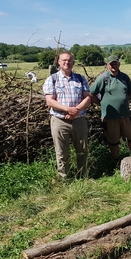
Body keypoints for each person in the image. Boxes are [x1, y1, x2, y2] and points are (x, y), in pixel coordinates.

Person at [43, 51, 91, 179]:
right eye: (64, 60)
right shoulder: (52, 79)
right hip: (60, 120)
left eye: (69, 60)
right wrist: (68, 110)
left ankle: (83, 176)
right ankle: (65, 178)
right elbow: (50, 101)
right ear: (59, 62)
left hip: (79, 120)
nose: (67, 63)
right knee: (61, 152)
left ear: (73, 62)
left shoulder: (80, 79)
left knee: (82, 150)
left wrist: (76, 111)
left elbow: (87, 98)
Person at [89, 55, 131, 159]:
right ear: (107, 65)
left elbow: (129, 93)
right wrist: (100, 103)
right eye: (111, 64)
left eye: (116, 63)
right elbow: (91, 93)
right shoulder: (103, 78)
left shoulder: (124, 77)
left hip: (125, 115)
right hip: (110, 117)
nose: (114, 65)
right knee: (113, 141)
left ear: (119, 64)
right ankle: (116, 162)